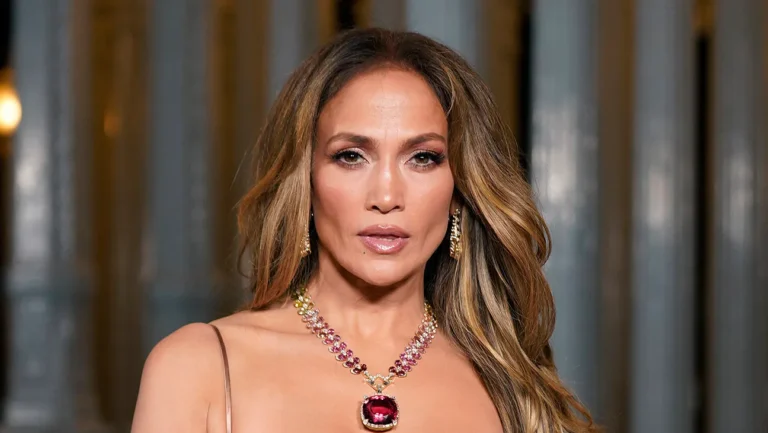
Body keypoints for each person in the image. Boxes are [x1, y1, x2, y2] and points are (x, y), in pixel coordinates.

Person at [131, 27, 597, 433]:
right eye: (351, 156)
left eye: (423, 158)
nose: (387, 195)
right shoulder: (200, 368)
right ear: (305, 181)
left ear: (459, 191)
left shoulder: (509, 382)